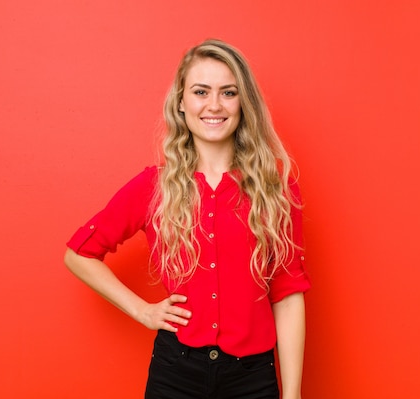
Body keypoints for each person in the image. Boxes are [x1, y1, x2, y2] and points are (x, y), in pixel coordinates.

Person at [64, 39, 310, 399]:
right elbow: (78, 253)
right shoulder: (153, 186)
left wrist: (292, 396)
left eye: (228, 92)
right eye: (200, 92)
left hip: (253, 378)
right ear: (181, 102)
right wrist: (142, 311)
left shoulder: (276, 187)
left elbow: (288, 295)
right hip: (174, 374)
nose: (214, 105)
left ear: (244, 103)